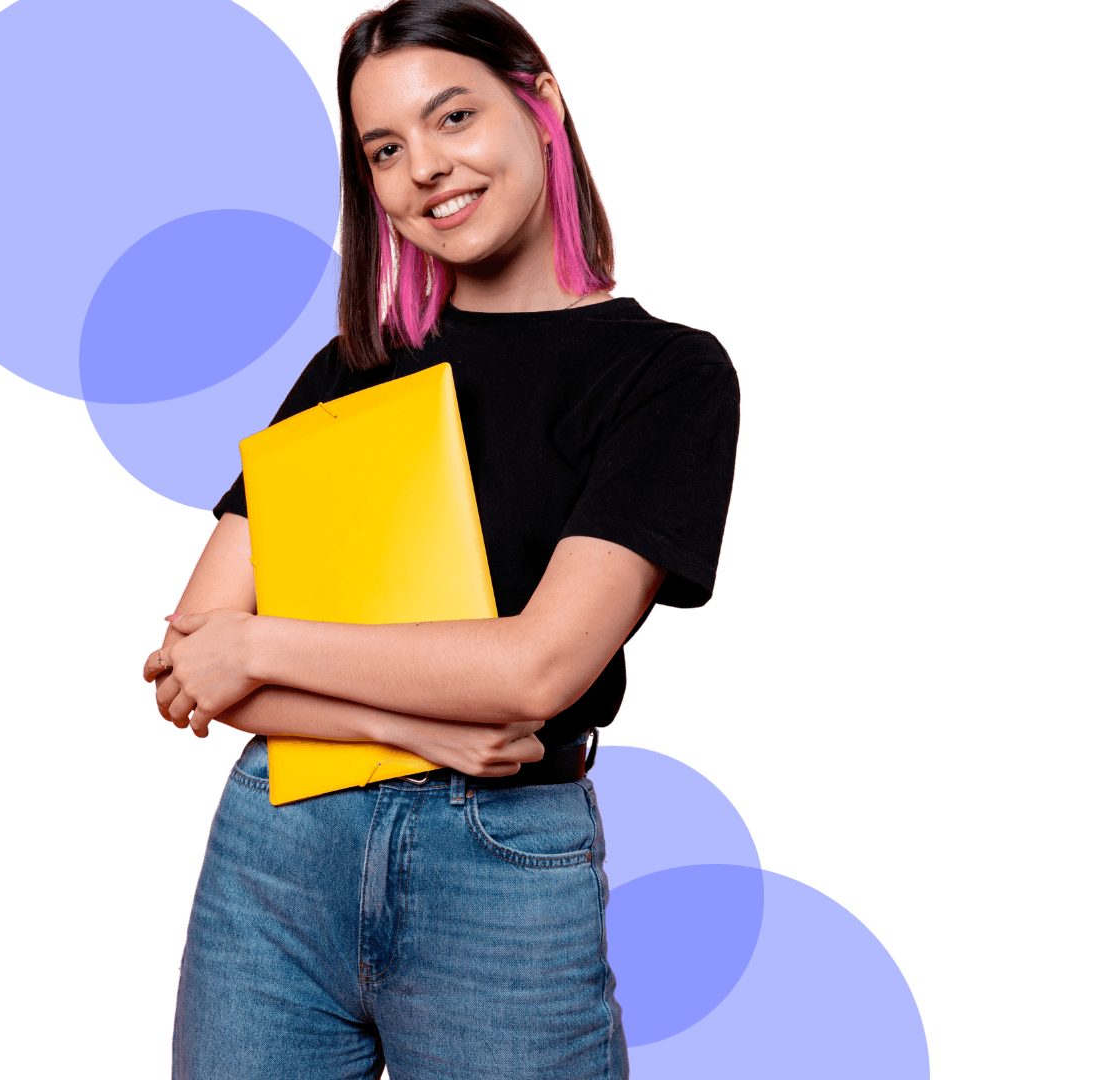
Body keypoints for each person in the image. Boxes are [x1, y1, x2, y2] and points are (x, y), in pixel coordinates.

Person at [144, 2, 738, 1077]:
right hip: (277, 856)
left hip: (500, 870)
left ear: (540, 102)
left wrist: (264, 646)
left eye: (453, 116)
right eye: (385, 148)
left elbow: (539, 665)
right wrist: (418, 730)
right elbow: (192, 658)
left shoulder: (666, 377)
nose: (425, 167)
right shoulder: (349, 372)